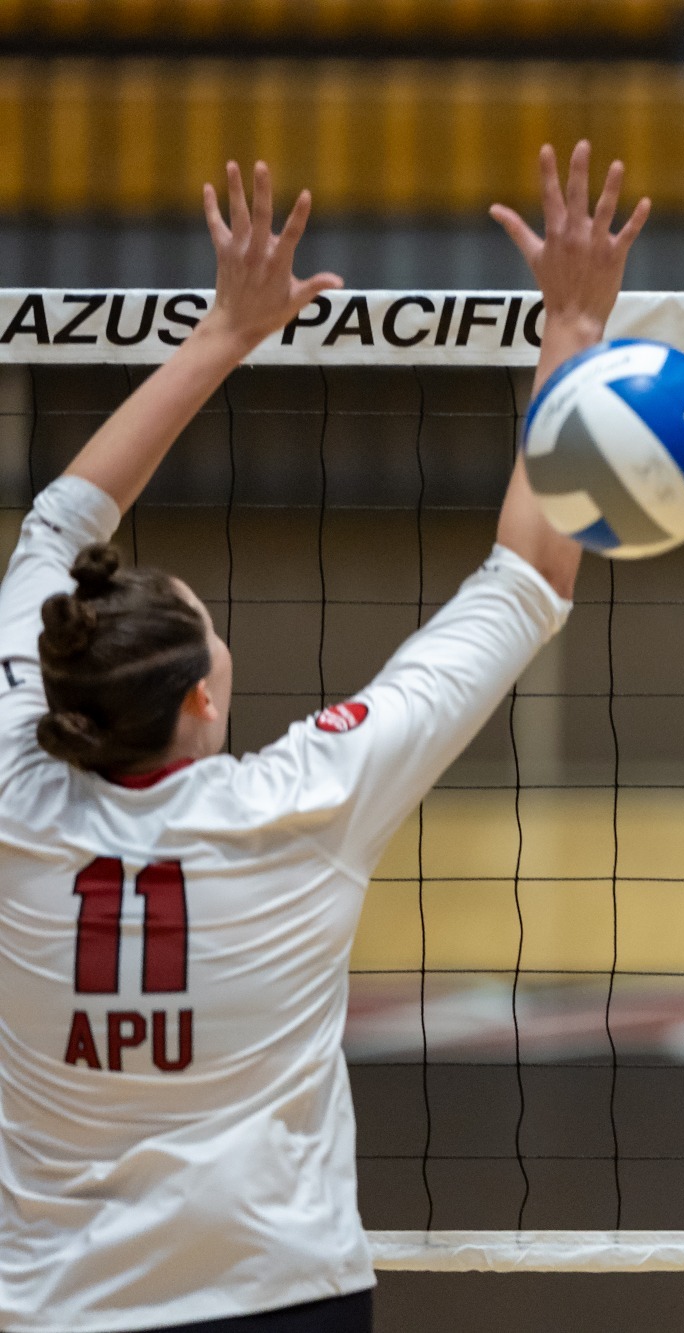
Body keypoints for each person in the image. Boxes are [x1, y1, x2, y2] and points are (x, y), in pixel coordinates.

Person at [0, 141, 642, 1331]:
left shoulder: (13, 783)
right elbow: (524, 586)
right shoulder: (300, 805)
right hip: (275, 1295)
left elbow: (54, 521)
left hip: (54, 1309)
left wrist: (219, 333)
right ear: (202, 698)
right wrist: (572, 328)